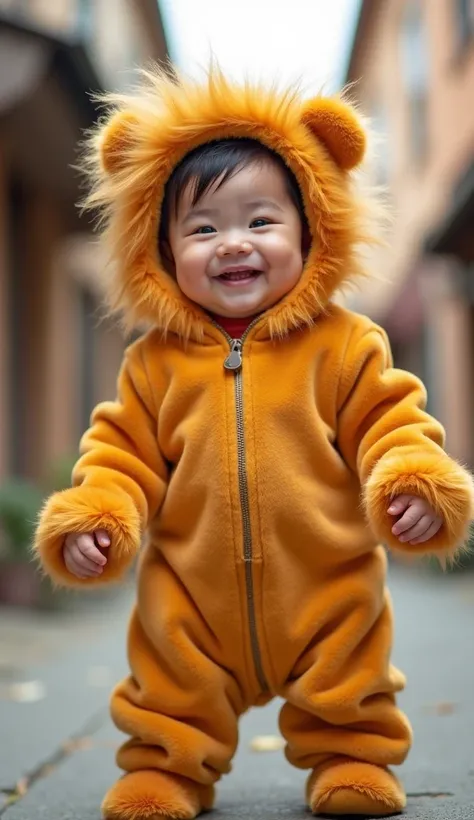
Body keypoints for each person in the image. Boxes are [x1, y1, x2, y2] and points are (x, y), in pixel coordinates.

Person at [34, 67, 474, 819]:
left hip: (325, 585)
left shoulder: (345, 344)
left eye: (261, 221)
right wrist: (98, 516)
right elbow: (121, 455)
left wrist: (410, 481)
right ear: (163, 250)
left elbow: (390, 422)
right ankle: (168, 767)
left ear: (312, 229)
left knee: (350, 670)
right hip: (192, 598)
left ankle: (350, 756)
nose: (233, 243)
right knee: (168, 683)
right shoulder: (154, 362)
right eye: (202, 228)